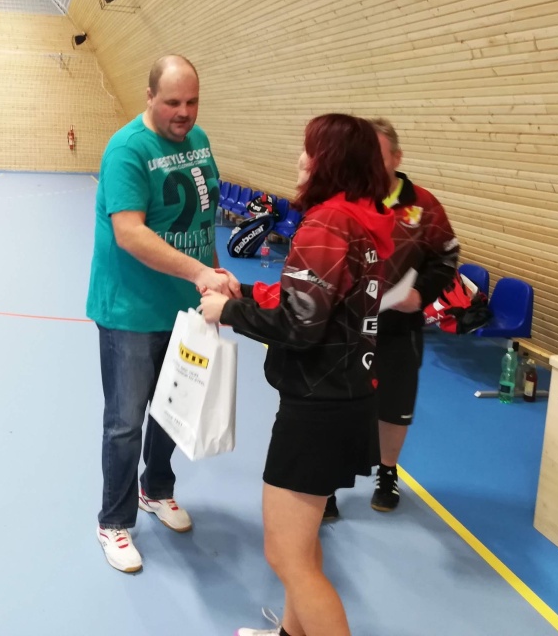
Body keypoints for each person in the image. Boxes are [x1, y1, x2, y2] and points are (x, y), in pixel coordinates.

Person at [200, 113, 395, 636]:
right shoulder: (361, 219)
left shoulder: (326, 224)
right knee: (302, 548)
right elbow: (319, 302)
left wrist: (229, 311)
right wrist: (247, 291)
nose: (300, 159)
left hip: (318, 408)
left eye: (309, 150)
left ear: (329, 160)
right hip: (345, 397)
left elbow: (300, 325)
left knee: (286, 556)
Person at [86, 54, 240, 574]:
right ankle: (113, 521)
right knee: (125, 422)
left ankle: (155, 489)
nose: (184, 112)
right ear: (149, 96)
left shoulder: (198, 141)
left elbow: (201, 221)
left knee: (174, 410)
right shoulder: (127, 150)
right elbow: (130, 233)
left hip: (184, 308)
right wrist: (199, 273)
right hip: (130, 311)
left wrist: (214, 276)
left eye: (193, 101)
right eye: (173, 102)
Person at [324, 118, 459, 520]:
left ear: (397, 158)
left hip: (399, 326)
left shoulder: (423, 205)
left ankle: (387, 473)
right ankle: (326, 481)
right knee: (335, 403)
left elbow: (446, 256)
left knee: (394, 406)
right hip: (346, 324)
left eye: (376, 154)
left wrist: (421, 295)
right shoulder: (342, 199)